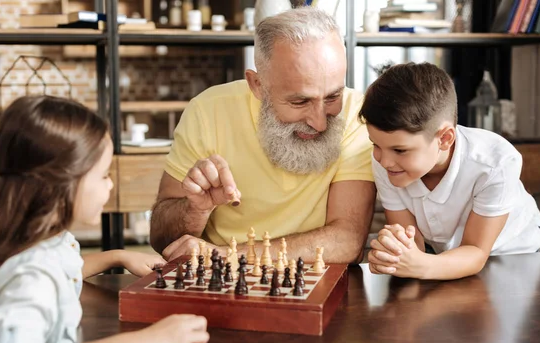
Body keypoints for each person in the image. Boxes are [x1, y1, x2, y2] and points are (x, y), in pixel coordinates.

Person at [0, 95, 209, 343]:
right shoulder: (31, 274)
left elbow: (62, 271)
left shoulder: (46, 243)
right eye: (102, 175)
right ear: (60, 184)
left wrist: (116, 256)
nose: (110, 185)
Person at [150, 7, 376, 264]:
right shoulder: (208, 110)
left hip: (316, 283)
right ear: (257, 85)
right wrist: (196, 209)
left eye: (333, 97)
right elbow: (161, 239)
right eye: (300, 101)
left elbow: (347, 242)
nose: (320, 122)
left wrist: (229, 256)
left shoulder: (357, 112)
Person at [360, 62, 540, 280]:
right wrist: (395, 255)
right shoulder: (387, 162)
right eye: (375, 144)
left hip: (512, 258)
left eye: (400, 150)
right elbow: (411, 245)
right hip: (442, 258)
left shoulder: (495, 163)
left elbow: (476, 252)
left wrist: (420, 265)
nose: (384, 161)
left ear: (445, 138)